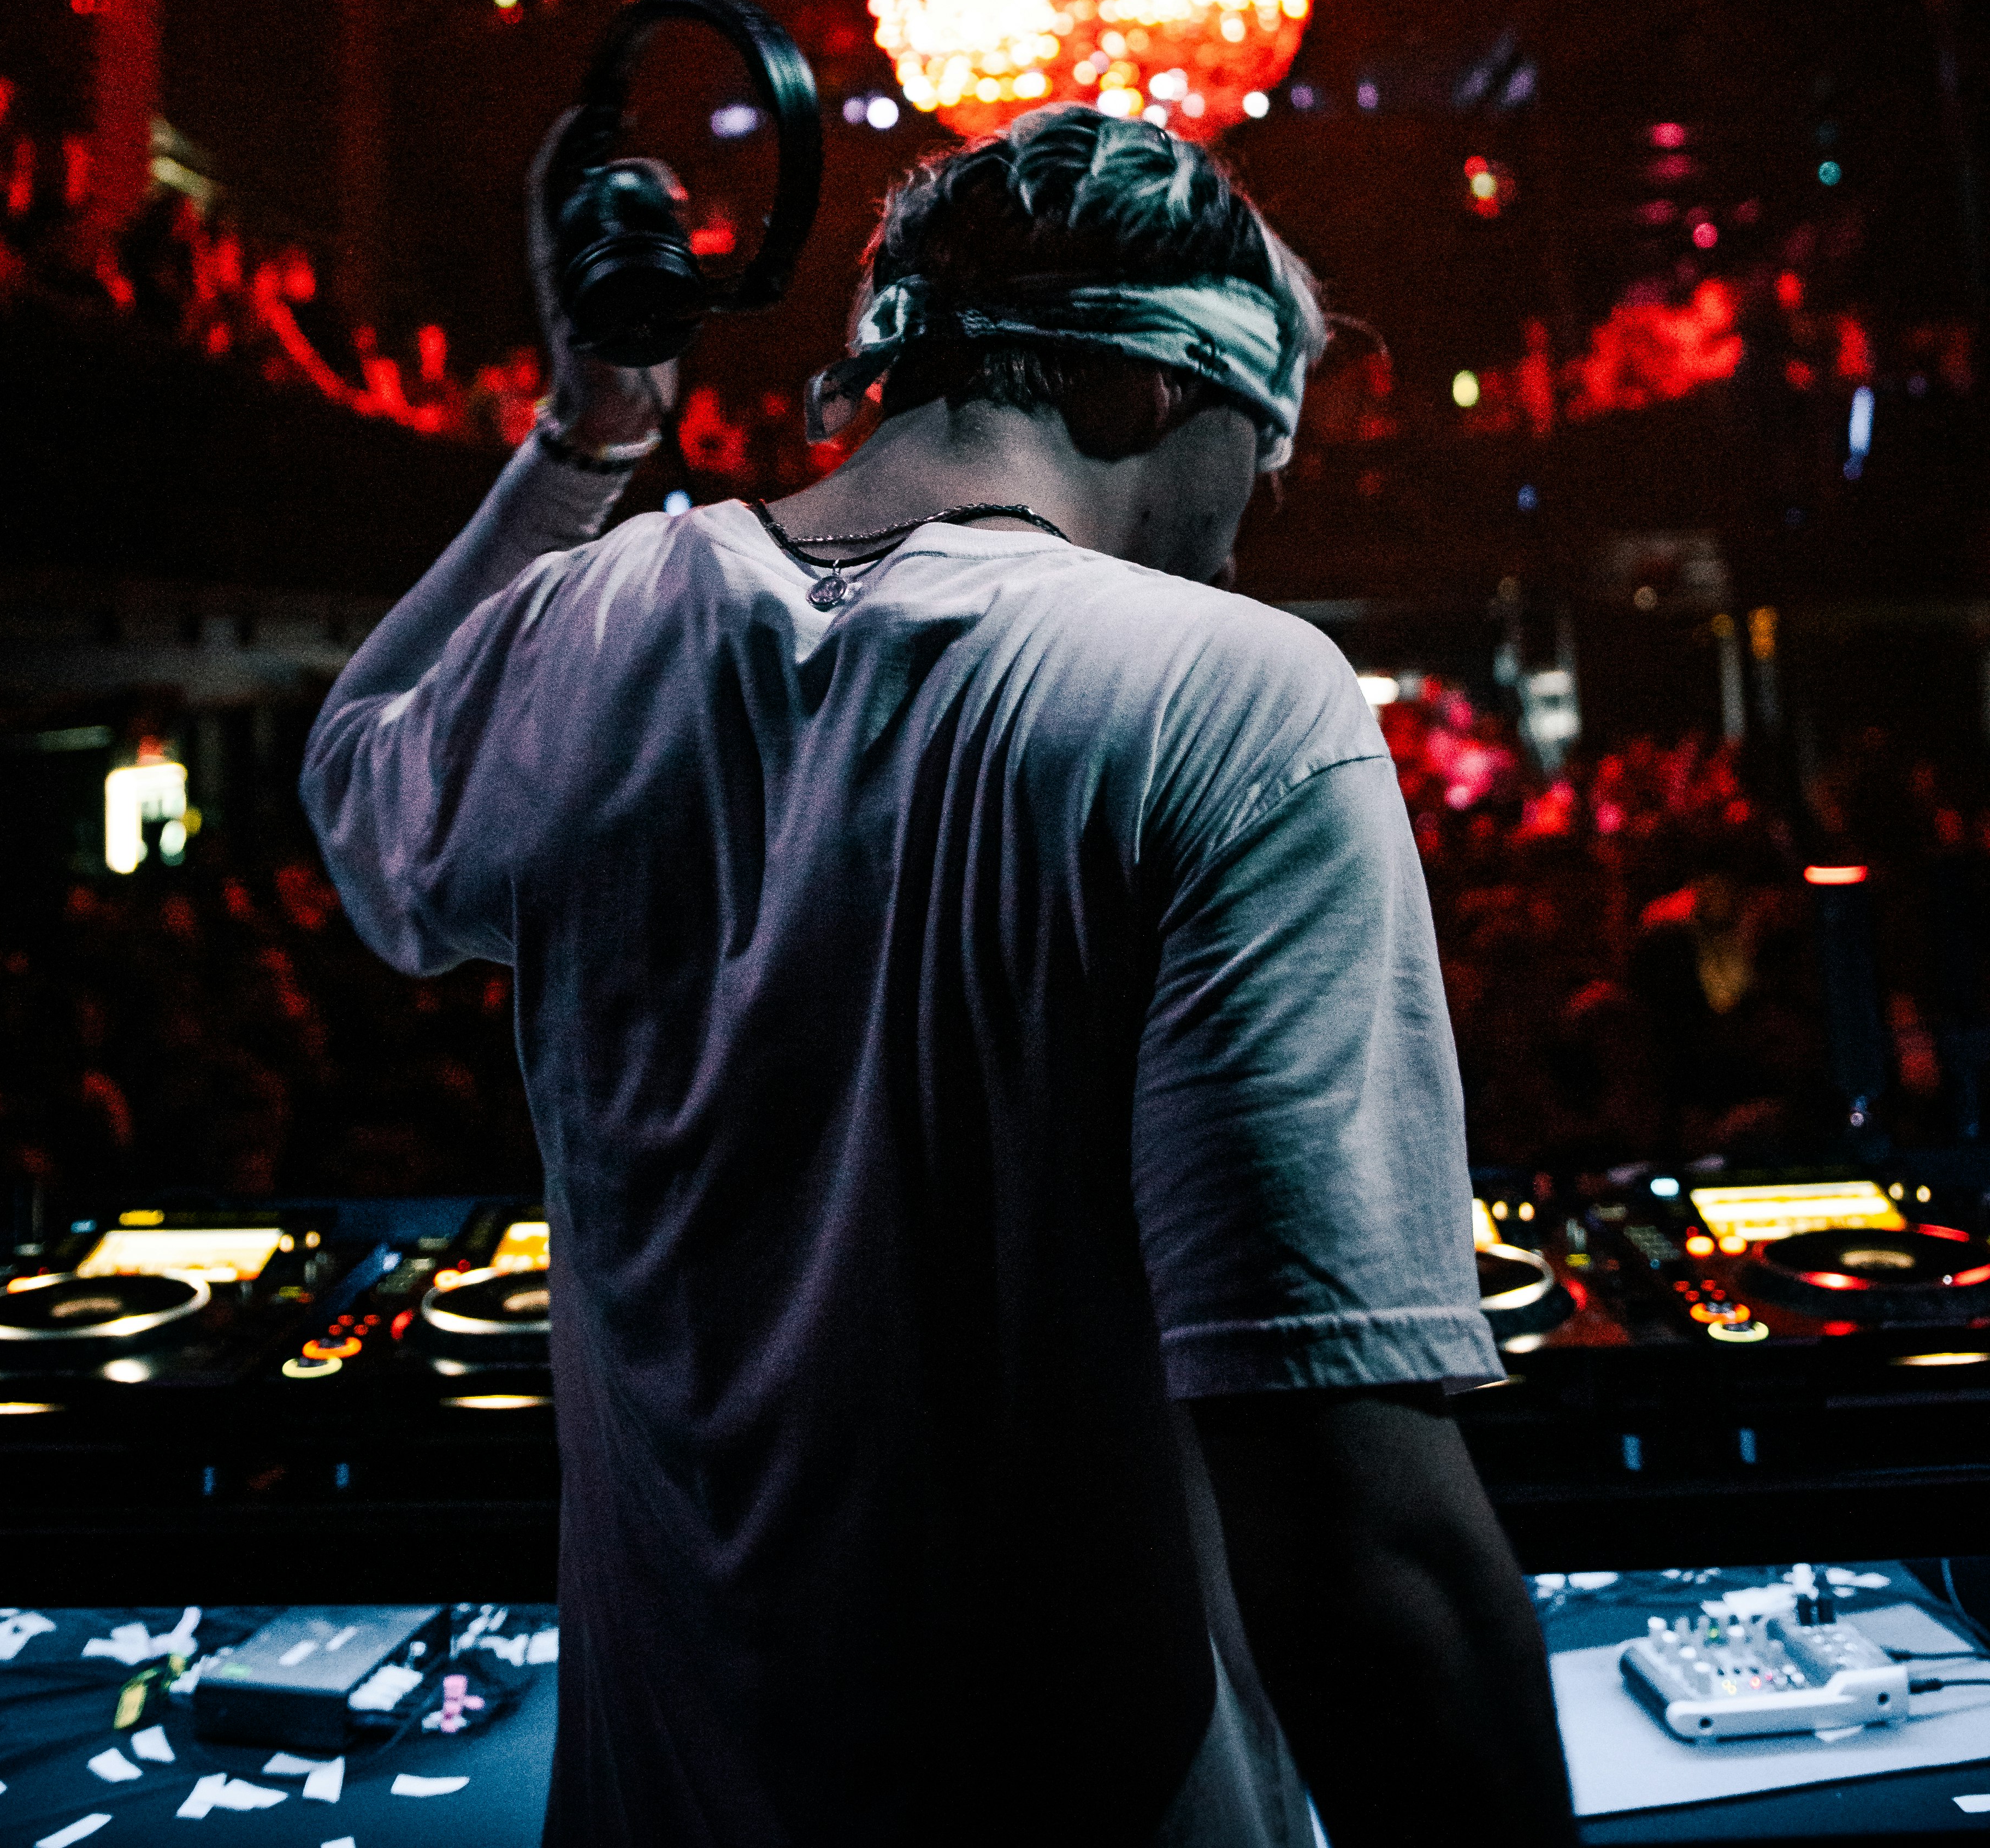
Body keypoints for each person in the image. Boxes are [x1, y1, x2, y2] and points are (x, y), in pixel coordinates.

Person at [303, 107, 1575, 1848]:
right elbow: (1354, 1517)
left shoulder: (576, 631)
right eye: (1254, 458)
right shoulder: (1233, 698)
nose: (1242, 532)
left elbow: (358, 766)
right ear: (1146, 396)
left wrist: (590, 428)